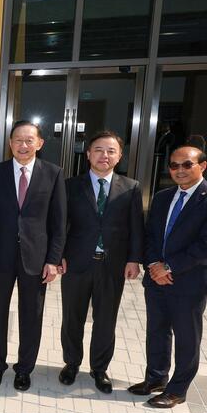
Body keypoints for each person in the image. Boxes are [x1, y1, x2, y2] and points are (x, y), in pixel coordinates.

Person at [128, 144, 207, 408]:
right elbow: (150, 235)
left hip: (189, 282)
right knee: (157, 331)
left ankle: (178, 389)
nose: (180, 170)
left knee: (187, 336)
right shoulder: (163, 197)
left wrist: (169, 267)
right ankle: (155, 379)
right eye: (174, 165)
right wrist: (154, 264)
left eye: (187, 164)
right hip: (156, 278)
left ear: (203, 166)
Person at [0, 120, 66, 392]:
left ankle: (24, 369)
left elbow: (59, 222)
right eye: (17, 140)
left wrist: (53, 259)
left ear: (39, 143)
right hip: (0, 256)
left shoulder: (53, 174)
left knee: (31, 315)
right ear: (10, 143)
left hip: (36, 259)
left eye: (29, 140)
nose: (23, 145)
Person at [57, 131, 144, 394]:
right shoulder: (70, 185)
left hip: (112, 264)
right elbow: (61, 224)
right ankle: (71, 363)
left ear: (119, 156)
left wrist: (134, 259)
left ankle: (99, 368)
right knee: (73, 317)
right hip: (76, 262)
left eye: (110, 151)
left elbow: (136, 228)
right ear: (88, 154)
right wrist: (57, 255)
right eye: (98, 150)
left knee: (106, 319)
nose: (104, 155)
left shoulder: (131, 187)